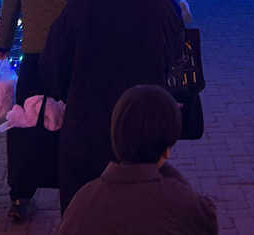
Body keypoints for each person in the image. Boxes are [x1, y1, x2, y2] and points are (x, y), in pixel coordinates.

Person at [41, 0, 184, 214]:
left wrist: (67, 91)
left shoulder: (81, 3)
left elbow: (53, 65)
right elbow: (175, 64)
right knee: (139, 212)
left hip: (86, 124)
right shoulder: (161, 9)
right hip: (143, 128)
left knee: (83, 211)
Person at [0, 0, 96, 222]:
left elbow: (11, 1)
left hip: (34, 53)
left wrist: (3, 44)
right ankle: (74, 195)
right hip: (70, 56)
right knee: (70, 123)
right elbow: (89, 9)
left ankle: (20, 196)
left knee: (26, 123)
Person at [57, 85, 218, 235]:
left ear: (115, 137)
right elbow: (208, 225)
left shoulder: (83, 201)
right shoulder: (182, 202)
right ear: (168, 145)